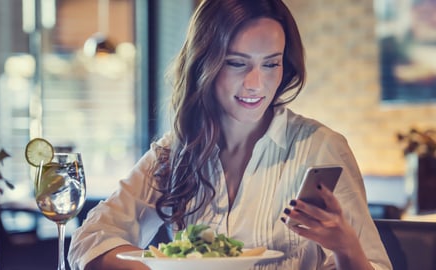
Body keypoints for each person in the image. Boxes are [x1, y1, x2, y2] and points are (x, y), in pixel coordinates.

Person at [68, 0, 392, 269]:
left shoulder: (321, 147)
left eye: (271, 64)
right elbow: (90, 238)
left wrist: (347, 247)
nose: (256, 84)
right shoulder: (176, 152)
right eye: (237, 63)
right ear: (203, 65)